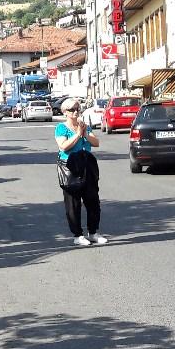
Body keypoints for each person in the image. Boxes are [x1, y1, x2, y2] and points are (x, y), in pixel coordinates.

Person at [54, 97, 107, 246]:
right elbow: (63, 146)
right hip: (70, 167)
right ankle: (77, 235)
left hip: (87, 165)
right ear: (65, 112)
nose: (76, 111)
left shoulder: (84, 126)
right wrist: (77, 134)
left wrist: (84, 133)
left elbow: (96, 143)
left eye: (78, 108)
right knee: (73, 204)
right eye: (72, 109)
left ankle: (93, 233)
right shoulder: (61, 128)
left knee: (93, 201)